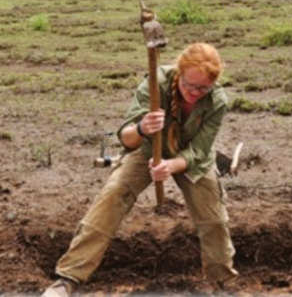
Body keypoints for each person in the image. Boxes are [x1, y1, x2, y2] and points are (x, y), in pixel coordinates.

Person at [42, 42, 237, 297]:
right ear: (179, 73)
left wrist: (170, 165)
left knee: (213, 217)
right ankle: (68, 278)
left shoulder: (216, 100)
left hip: (190, 158)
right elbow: (127, 138)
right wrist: (143, 128)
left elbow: (199, 152)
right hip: (146, 149)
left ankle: (221, 282)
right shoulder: (156, 84)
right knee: (113, 195)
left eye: (203, 88)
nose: (194, 92)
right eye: (189, 85)